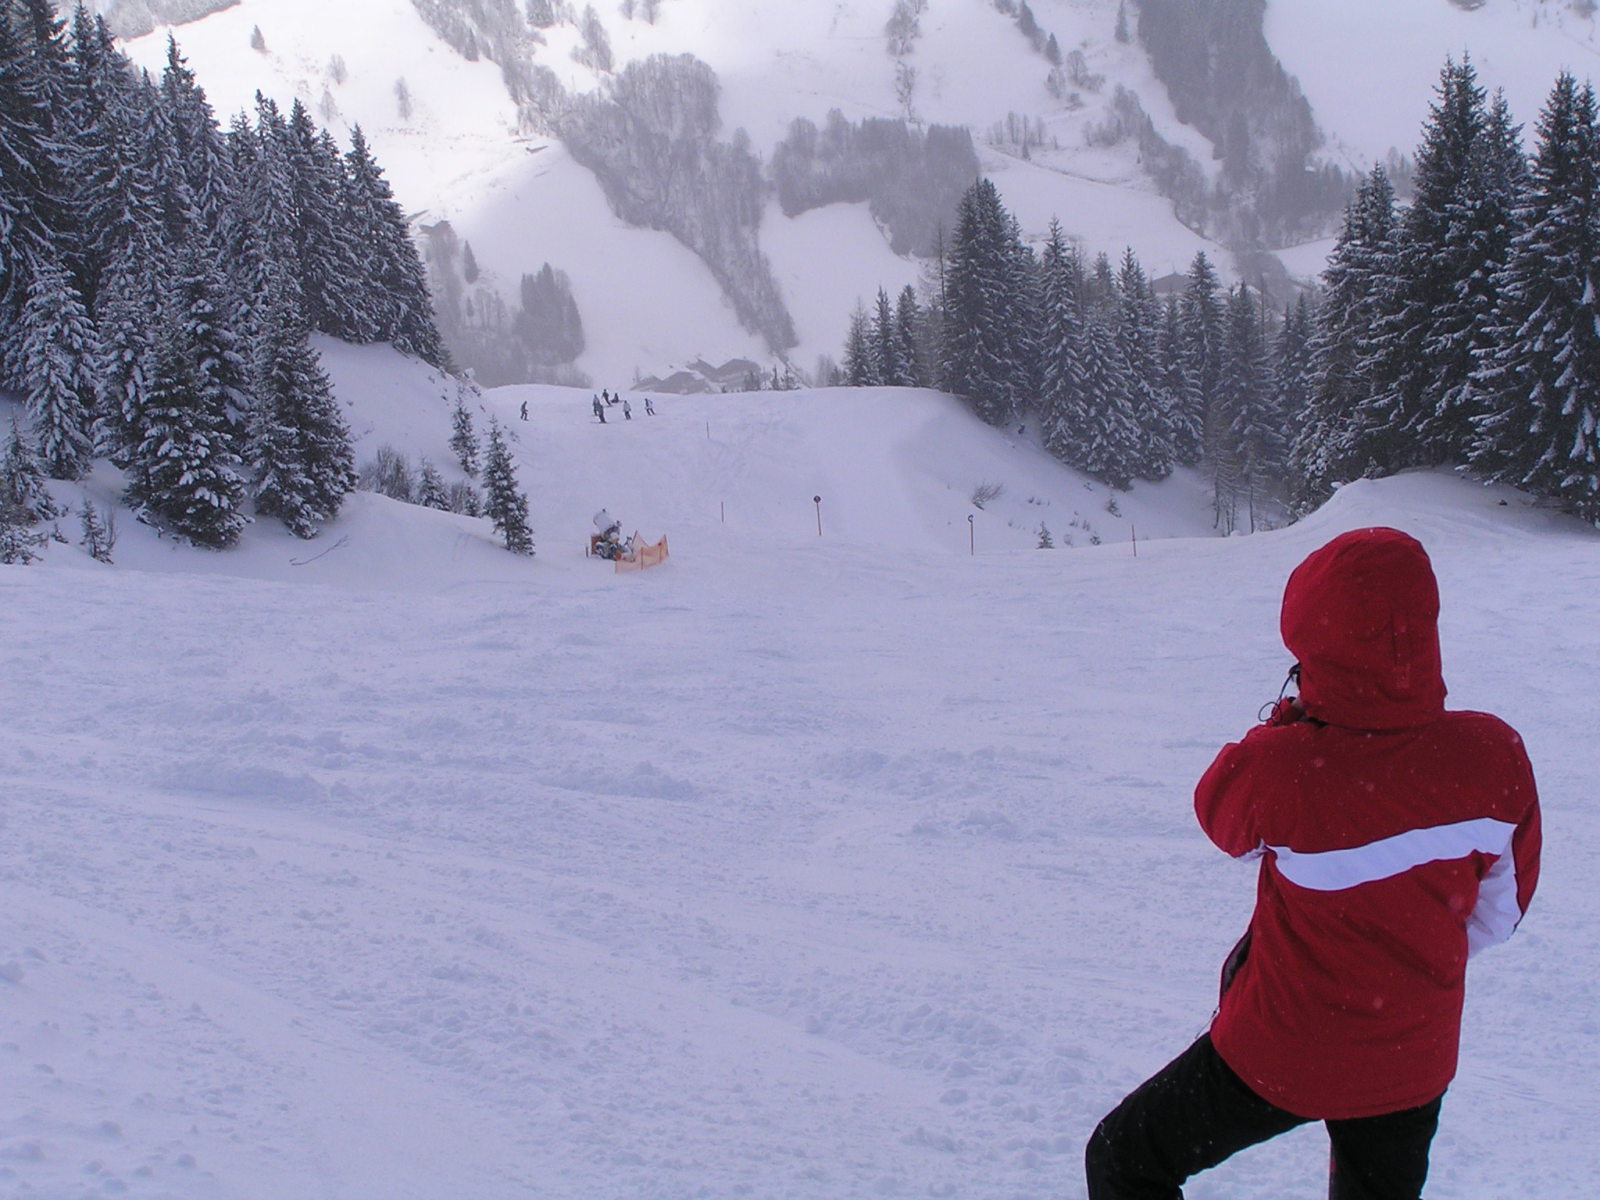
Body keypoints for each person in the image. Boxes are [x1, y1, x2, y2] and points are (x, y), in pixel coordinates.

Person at [1085, 527, 1541, 1200]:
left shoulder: (1281, 769)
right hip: (1413, 1061)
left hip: (1283, 1053)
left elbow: (1221, 819)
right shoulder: (1493, 754)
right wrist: (1408, 959)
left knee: (1126, 1158)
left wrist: (1290, 725)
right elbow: (1499, 915)